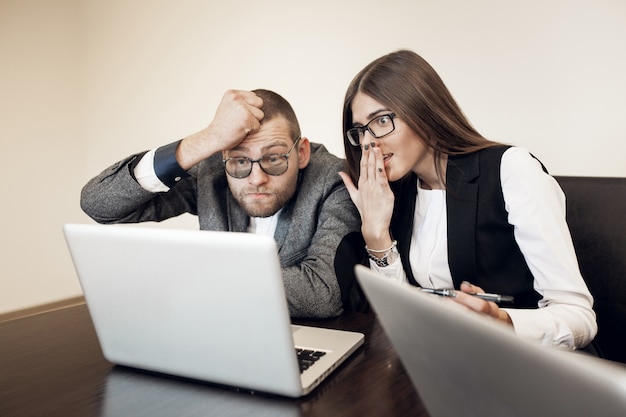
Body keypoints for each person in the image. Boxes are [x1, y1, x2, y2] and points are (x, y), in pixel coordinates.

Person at [338, 49, 597, 350]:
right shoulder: (396, 193)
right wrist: (377, 234)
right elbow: (403, 319)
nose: (369, 141)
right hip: (449, 364)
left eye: (381, 121)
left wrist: (502, 324)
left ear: (422, 109)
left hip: (535, 367)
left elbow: (579, 317)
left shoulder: (510, 170)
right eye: (360, 130)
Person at [81, 89, 362, 318]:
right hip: (222, 335)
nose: (256, 178)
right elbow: (98, 204)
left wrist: (202, 280)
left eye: (274, 158)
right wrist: (206, 140)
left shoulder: (333, 179)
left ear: (301, 153)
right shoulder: (213, 170)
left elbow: (323, 293)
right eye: (240, 160)